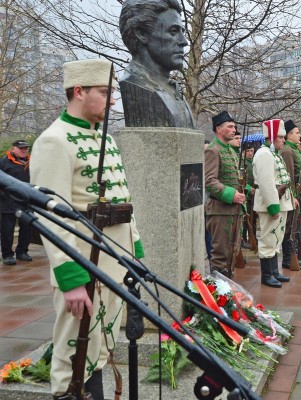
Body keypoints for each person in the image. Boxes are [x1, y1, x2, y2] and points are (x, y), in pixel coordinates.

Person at [30, 59, 145, 399]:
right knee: (74, 354)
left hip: (114, 262)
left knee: (100, 345)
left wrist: (134, 254)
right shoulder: (54, 141)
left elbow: (122, 201)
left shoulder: (106, 140)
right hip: (83, 266)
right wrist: (71, 279)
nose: (112, 101)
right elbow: (52, 217)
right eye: (105, 92)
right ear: (79, 92)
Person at [119, 0, 194, 128]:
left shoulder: (175, 90)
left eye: (182, 32)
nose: (184, 41)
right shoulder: (135, 86)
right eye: (173, 31)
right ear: (141, 34)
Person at [253, 119, 294, 287]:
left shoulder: (273, 154)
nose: (283, 140)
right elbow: (266, 183)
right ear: (271, 137)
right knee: (268, 239)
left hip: (280, 201)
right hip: (270, 204)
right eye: (280, 137)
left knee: (276, 239)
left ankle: (274, 272)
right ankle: (267, 275)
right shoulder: (264, 154)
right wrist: (273, 207)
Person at [205, 111, 245, 277]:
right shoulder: (213, 150)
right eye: (230, 126)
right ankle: (217, 298)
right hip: (220, 211)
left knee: (232, 253)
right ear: (218, 129)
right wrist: (231, 194)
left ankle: (228, 294)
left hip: (234, 210)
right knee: (221, 257)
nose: (234, 130)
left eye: (234, 126)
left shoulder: (231, 151)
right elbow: (209, 181)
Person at [0, 140, 33, 265]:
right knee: (7, 230)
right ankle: (7, 255)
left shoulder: (32, 162)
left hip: (27, 201)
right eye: (21, 148)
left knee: (27, 228)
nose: (24, 150)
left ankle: (22, 252)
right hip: (8, 202)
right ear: (13, 148)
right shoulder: (4, 162)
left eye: (26, 148)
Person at [280, 120, 301, 270]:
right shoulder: (287, 151)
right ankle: (287, 259)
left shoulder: (294, 150)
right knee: (288, 227)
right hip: (291, 195)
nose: (299, 135)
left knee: (293, 226)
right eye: (296, 132)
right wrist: (293, 195)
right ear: (289, 135)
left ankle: (290, 256)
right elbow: (289, 176)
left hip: (297, 193)